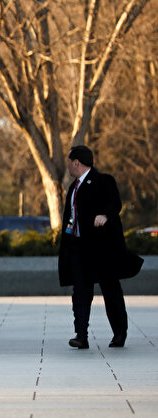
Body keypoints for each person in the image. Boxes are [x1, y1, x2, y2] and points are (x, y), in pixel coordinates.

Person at [59, 145, 143, 349]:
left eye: (69, 161)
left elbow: (115, 203)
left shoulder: (103, 180)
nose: (67, 165)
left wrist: (105, 215)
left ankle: (119, 333)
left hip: (101, 248)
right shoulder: (73, 187)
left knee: (111, 290)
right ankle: (81, 335)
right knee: (80, 291)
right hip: (78, 247)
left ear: (76, 162)